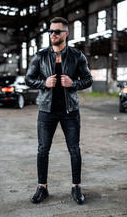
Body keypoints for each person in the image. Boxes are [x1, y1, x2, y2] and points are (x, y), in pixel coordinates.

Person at [25, 17, 93, 205]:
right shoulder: (40, 56)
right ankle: (42, 187)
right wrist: (43, 83)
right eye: (50, 31)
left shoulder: (77, 55)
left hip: (70, 111)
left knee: (74, 150)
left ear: (66, 33)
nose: (52, 34)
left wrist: (74, 84)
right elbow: (28, 79)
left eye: (56, 31)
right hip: (46, 111)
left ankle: (76, 187)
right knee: (42, 150)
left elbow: (88, 79)